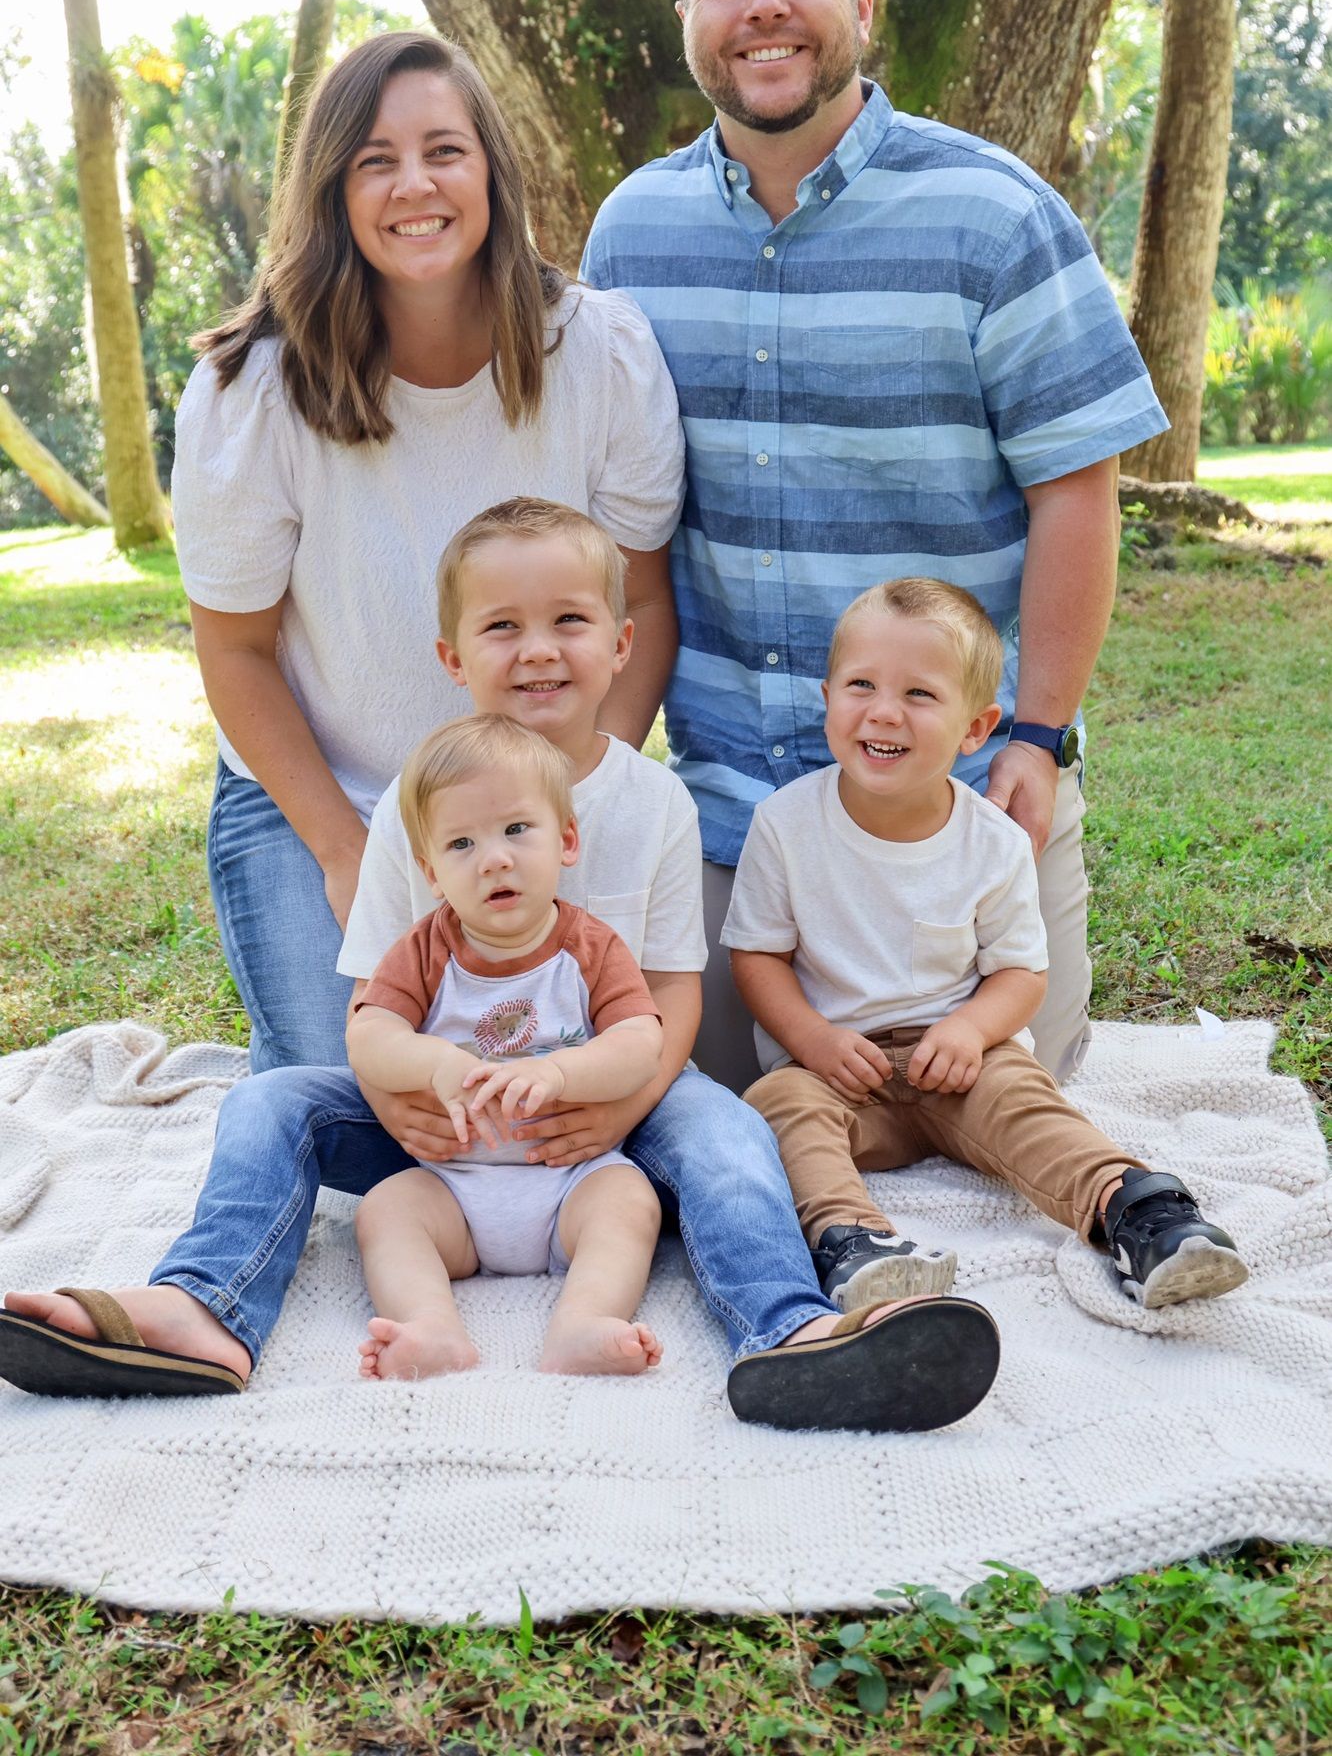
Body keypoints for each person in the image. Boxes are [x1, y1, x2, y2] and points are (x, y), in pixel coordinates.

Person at [0, 502, 1000, 1432]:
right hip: (444, 1116)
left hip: (615, 1096)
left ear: (618, 645)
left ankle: (786, 1329)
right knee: (267, 1103)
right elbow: (375, 1000)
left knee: (729, 1127)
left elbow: (669, 991)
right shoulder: (413, 803)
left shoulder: (651, 804)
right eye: (501, 626)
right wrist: (398, 1108)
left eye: (568, 618)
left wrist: (621, 1105)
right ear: (452, 655)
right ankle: (201, 1304)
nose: (536, 649)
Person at [581, 0, 1172, 1095]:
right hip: (736, 812)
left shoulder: (997, 214)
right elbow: (622, 528)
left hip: (962, 806)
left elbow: (1077, 485)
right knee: (722, 1116)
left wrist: (1040, 733)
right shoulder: (631, 233)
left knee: (1009, 1099)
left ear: (857, 3)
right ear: (688, 14)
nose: (764, 7)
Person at [172, 28, 684, 1074]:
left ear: (491, 165)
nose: (416, 184)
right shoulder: (251, 391)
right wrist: (347, 852)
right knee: (359, 1095)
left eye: (444, 150)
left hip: (540, 809)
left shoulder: (602, 354)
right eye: (375, 160)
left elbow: (647, 602)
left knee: (592, 1061)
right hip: (323, 795)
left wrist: (584, 800)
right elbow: (235, 652)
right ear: (332, 191)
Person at [725, 578, 1249, 1315]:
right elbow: (758, 957)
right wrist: (811, 1040)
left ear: (976, 728)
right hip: (840, 1067)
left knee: (1028, 1101)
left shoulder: (991, 841)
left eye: (919, 695)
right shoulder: (785, 825)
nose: (883, 711)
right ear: (827, 696)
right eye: (861, 685)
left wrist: (970, 1030)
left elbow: (1019, 973)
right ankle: (851, 1242)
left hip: (960, 1063)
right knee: (778, 1105)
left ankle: (1138, 1212)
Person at [349, 714, 665, 1381]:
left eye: (517, 830)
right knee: (385, 1211)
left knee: (629, 1203)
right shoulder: (425, 949)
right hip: (454, 1185)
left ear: (567, 839)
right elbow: (369, 1035)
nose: (494, 858)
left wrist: (561, 1071)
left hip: (570, 1178)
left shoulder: (591, 948)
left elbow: (642, 1044)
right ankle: (431, 1327)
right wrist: (436, 1064)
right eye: (461, 844)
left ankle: (583, 1322)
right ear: (431, 872)